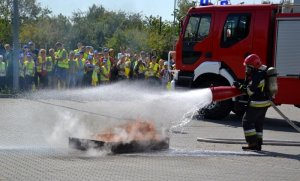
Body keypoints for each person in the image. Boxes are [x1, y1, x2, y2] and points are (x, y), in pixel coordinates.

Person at [233, 54, 271, 151]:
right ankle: (258, 144)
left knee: (246, 122)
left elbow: (249, 91)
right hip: (265, 102)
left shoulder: (257, 77)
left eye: (248, 67)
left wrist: (239, 86)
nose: (246, 69)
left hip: (257, 103)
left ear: (253, 66)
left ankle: (252, 144)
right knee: (258, 123)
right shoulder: (262, 72)